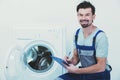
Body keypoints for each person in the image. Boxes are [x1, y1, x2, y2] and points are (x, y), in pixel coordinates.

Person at [55, 1, 112, 80]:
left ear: (93, 17)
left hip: (99, 75)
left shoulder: (100, 36)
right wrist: (69, 61)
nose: (83, 18)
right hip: (83, 72)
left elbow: (101, 67)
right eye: (81, 15)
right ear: (77, 16)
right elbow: (76, 58)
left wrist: (77, 70)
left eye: (87, 15)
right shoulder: (77, 34)